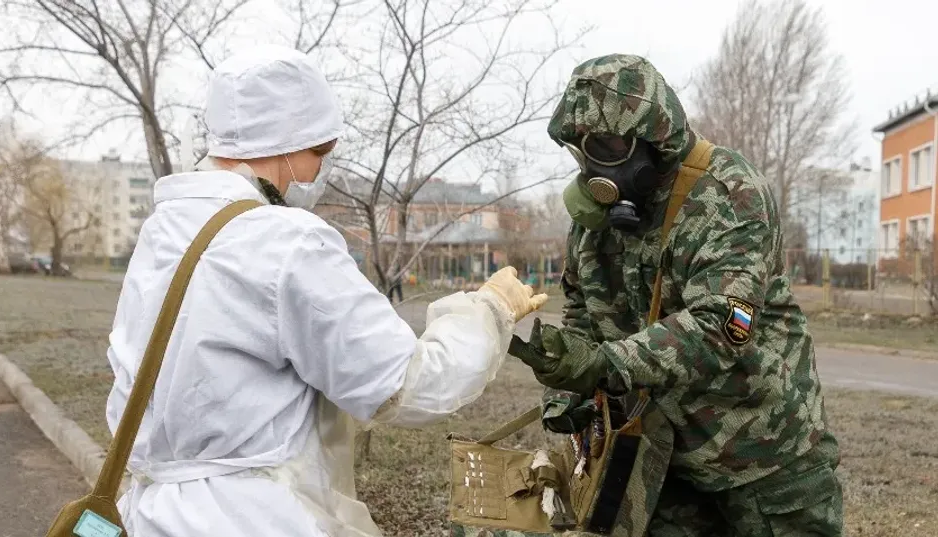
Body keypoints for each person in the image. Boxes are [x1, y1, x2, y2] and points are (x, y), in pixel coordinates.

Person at [104, 44, 547, 537]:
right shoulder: (285, 241)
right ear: (283, 142)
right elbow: (408, 384)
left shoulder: (165, 232)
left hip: (148, 514)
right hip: (250, 519)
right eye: (319, 152)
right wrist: (490, 309)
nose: (319, 171)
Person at [509, 54, 842, 536]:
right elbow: (584, 311)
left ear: (655, 141)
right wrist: (568, 386)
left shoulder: (728, 194)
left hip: (765, 456)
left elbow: (728, 326)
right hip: (663, 458)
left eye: (604, 144)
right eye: (580, 149)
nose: (591, 164)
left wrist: (606, 364)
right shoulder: (596, 224)